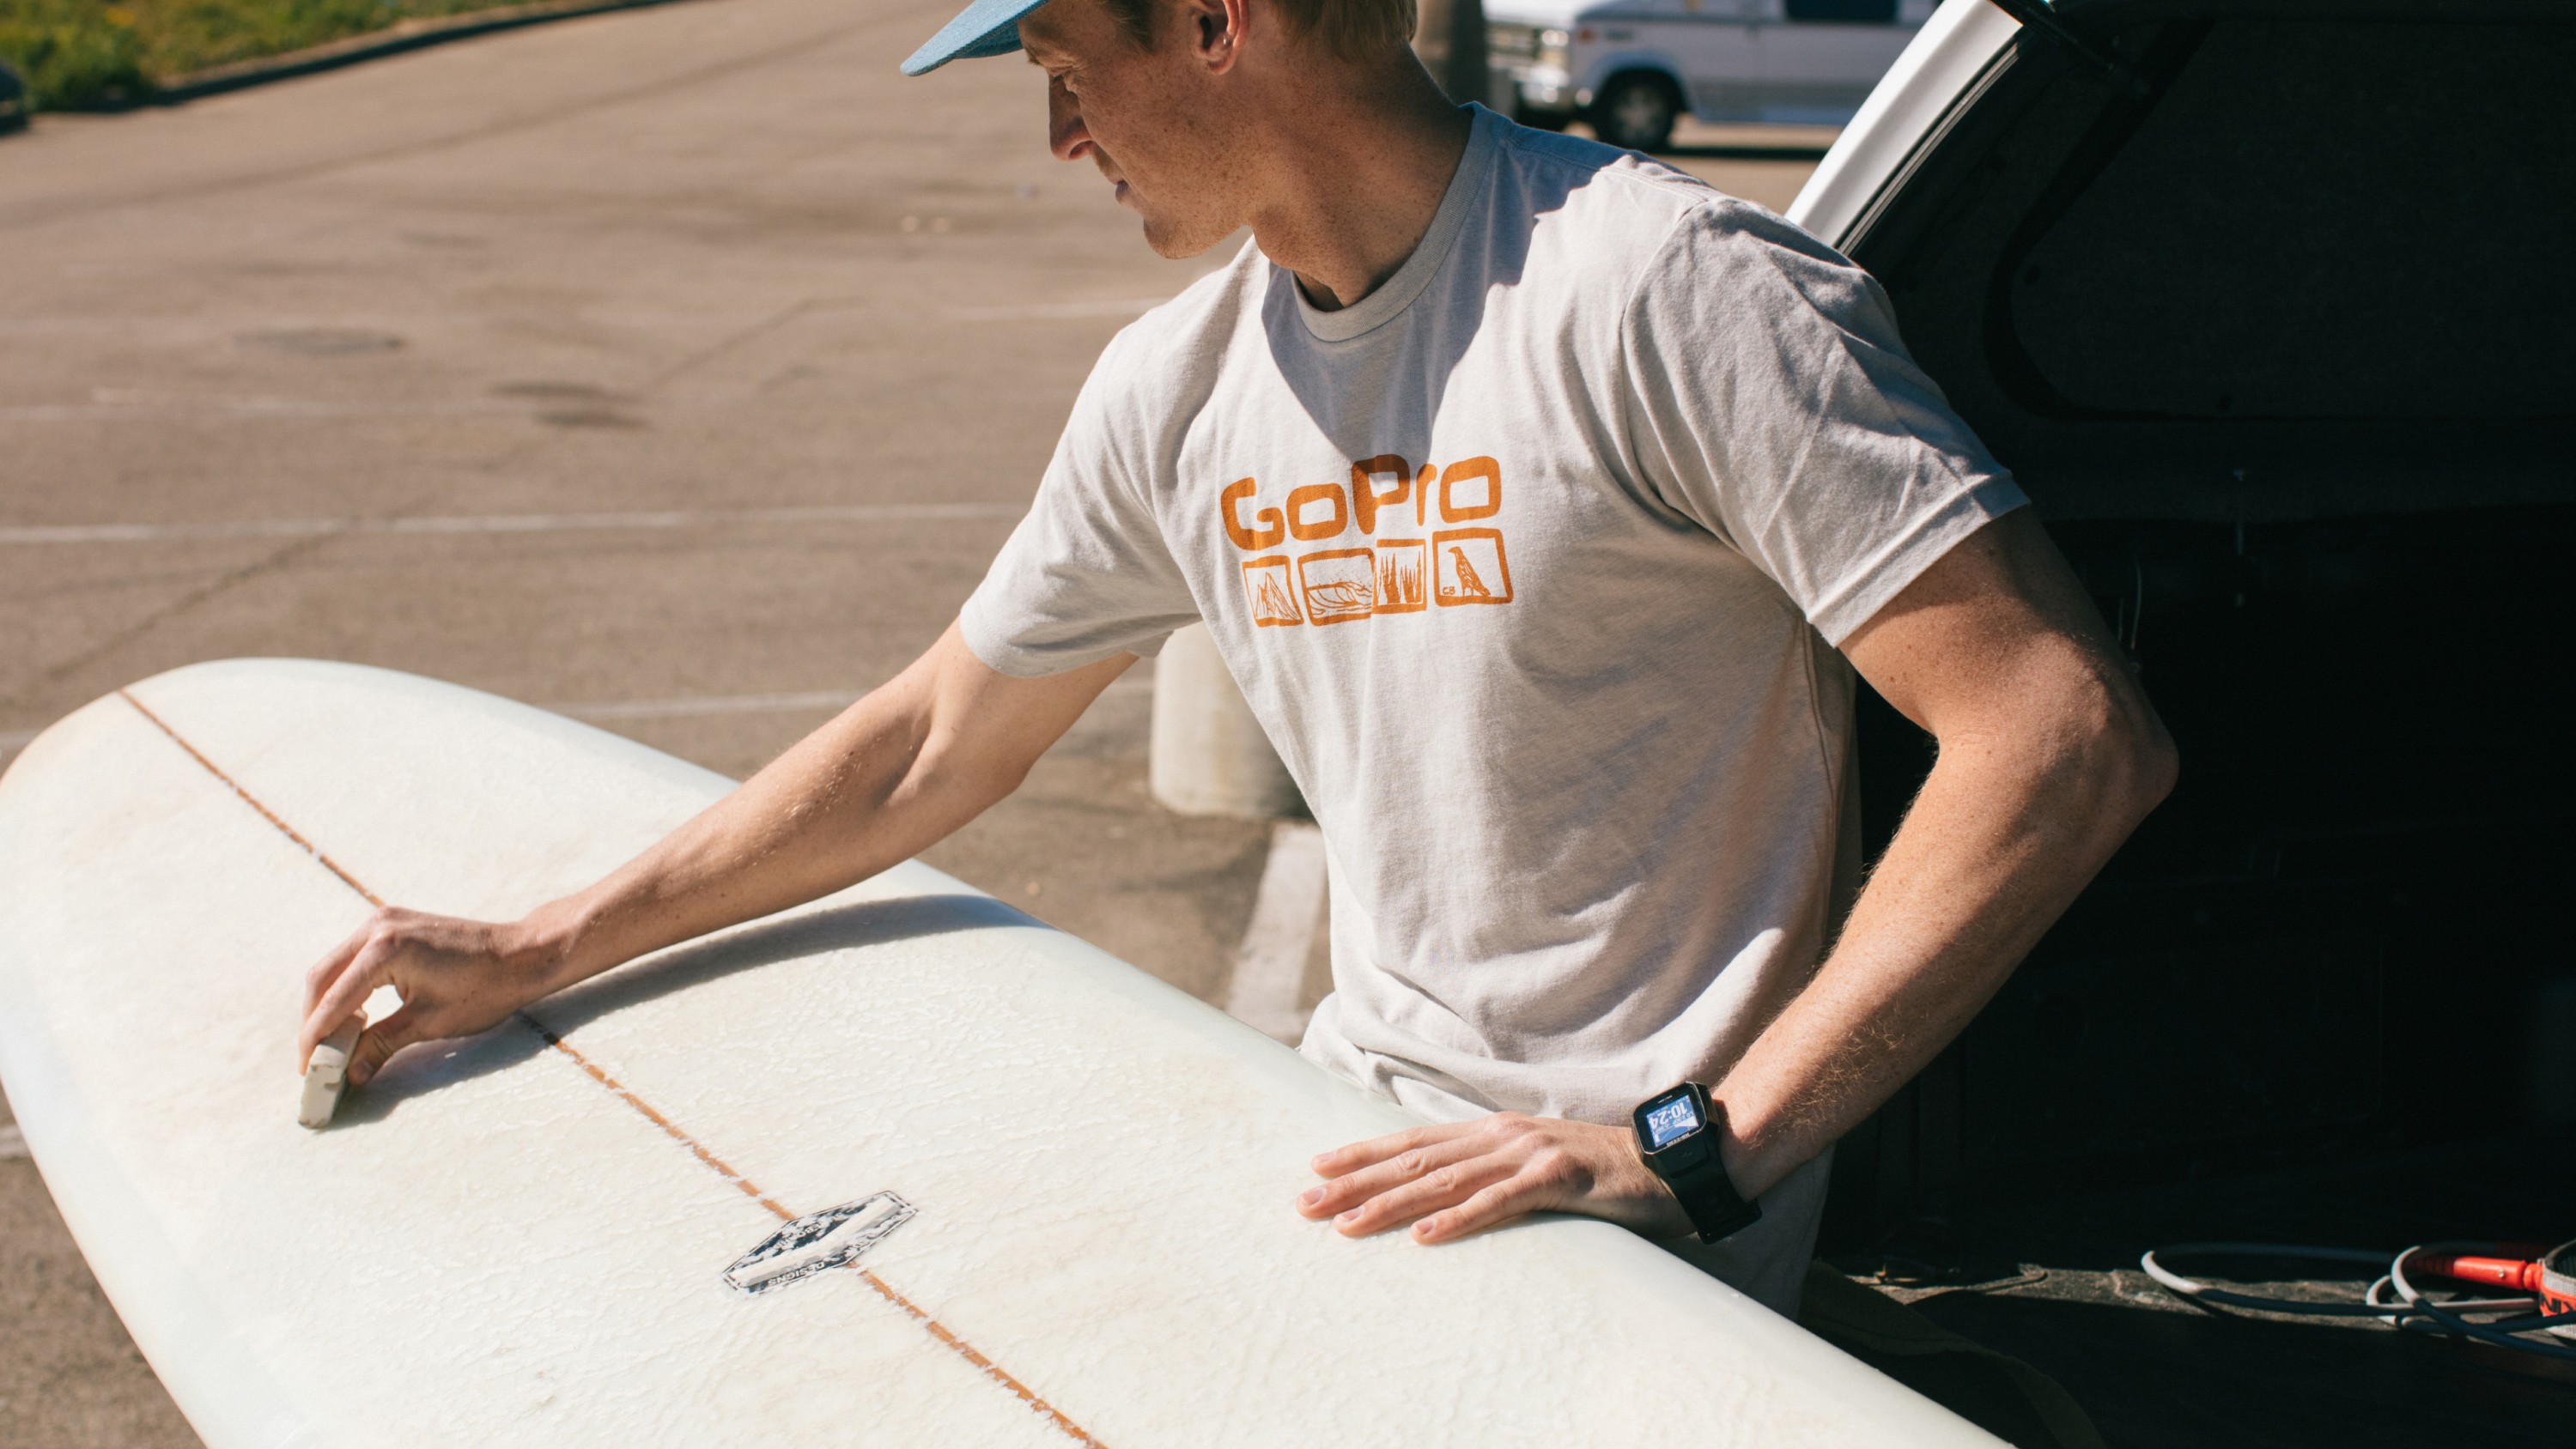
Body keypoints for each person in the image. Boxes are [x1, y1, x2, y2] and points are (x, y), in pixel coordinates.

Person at [298, 0, 2175, 1317]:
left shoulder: (1667, 294)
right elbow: (935, 736)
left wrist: (1697, 1147)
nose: (1055, 140)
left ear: (1217, 20)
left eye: (1063, 71)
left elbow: (2060, 731)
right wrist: (545, 943)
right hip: (1345, 1151)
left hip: (1633, 1255)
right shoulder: (1180, 392)